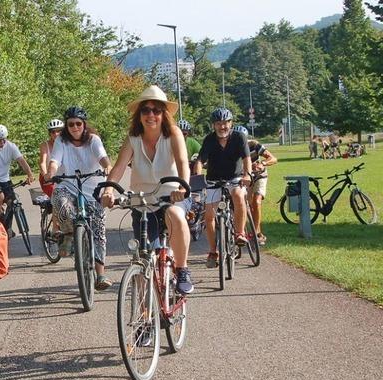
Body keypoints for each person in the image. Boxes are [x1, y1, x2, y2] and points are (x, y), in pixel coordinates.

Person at [102, 85, 194, 294]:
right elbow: (117, 168)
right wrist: (108, 190)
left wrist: (182, 187)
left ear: (164, 114)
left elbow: (182, 163)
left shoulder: (173, 134)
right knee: (144, 256)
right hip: (142, 200)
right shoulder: (133, 137)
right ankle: (144, 315)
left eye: (156, 110)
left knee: (175, 214)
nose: (150, 115)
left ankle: (182, 269)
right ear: (139, 115)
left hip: (172, 194)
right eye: (145, 110)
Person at [44, 106, 113, 290]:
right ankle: (69, 234)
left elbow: (103, 157)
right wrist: (50, 173)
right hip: (69, 185)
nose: (75, 127)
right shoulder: (61, 141)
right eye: (71, 124)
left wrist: (107, 166)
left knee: (98, 232)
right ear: (66, 126)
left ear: (84, 124)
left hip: (93, 189)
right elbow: (54, 161)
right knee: (58, 198)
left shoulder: (93, 139)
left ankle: (100, 275)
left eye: (78, 123)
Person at [193, 108, 251, 269]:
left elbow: (247, 158)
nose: (222, 127)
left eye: (225, 123)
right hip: (214, 180)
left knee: (238, 196)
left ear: (231, 123)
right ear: (214, 125)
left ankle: (240, 233)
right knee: (209, 216)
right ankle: (213, 252)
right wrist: (198, 178)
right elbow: (199, 161)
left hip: (235, 178)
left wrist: (247, 175)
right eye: (218, 124)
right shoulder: (209, 140)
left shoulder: (239, 137)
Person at [234, 125, 277, 246]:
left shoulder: (254, 145)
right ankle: (243, 231)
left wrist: (263, 163)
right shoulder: (231, 148)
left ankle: (257, 233)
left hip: (259, 176)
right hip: (244, 178)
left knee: (256, 202)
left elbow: (273, 158)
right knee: (245, 205)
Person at [0, 124, 35, 223]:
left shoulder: (11, 146)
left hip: (5, 179)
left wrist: (30, 175)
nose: (1, 142)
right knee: (0, 197)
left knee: (12, 201)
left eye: (3, 139)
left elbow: (22, 161)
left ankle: (8, 227)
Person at [39, 119, 64, 198]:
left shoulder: (67, 144)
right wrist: (46, 176)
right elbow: (42, 163)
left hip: (64, 176)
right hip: (49, 177)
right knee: (57, 198)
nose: (56, 134)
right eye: (53, 132)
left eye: (59, 131)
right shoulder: (44, 145)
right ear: (49, 133)